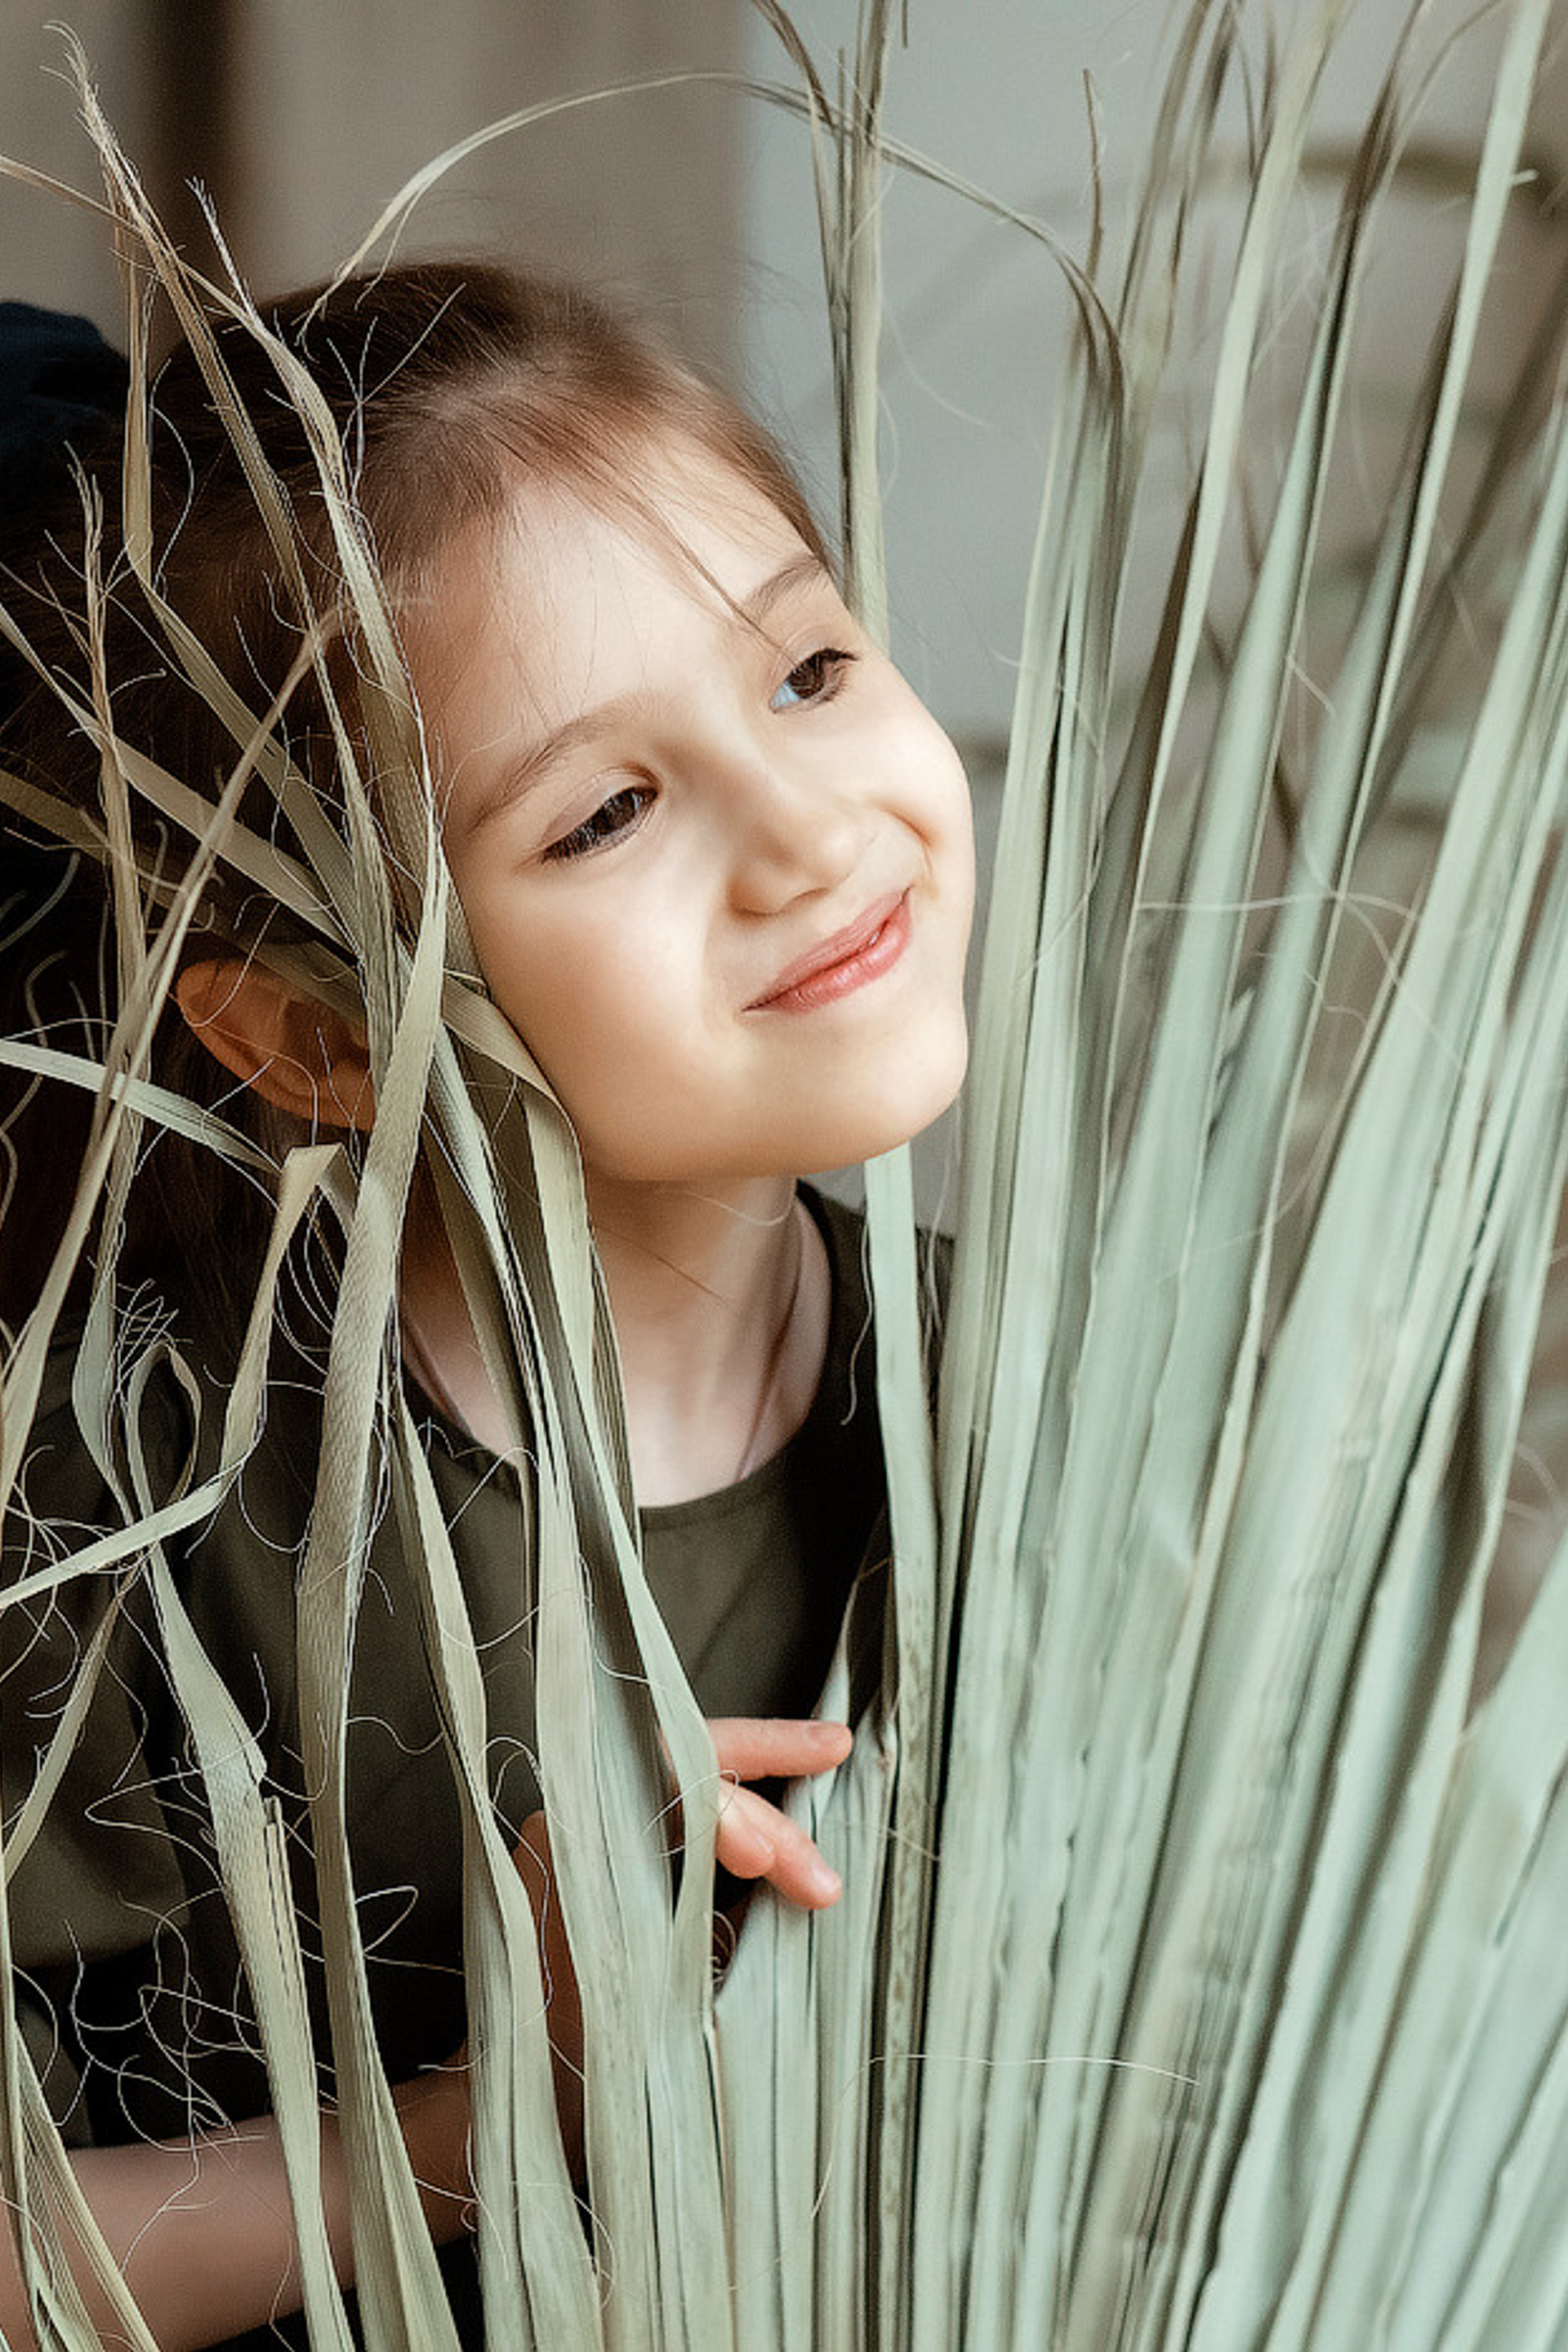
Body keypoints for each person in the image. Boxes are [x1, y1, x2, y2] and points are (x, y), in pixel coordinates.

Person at [0, 260, 974, 2349]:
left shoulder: (1058, 1420)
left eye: (805, 670)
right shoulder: (140, 1501)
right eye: (606, 811)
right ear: (311, 1036)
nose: (812, 833)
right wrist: (479, 2118)